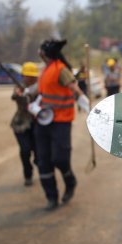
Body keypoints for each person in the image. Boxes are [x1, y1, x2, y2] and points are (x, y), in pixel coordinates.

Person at [34, 39, 90, 211]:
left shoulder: (60, 69)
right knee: (43, 161)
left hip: (61, 122)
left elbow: (75, 88)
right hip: (43, 121)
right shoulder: (45, 71)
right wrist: (32, 102)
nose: (39, 52)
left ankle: (69, 180)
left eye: (40, 50)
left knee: (59, 158)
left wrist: (84, 103)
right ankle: (51, 197)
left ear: (44, 53)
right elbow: (41, 93)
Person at [10, 62, 40, 186]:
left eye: (30, 76)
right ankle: (28, 175)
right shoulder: (19, 87)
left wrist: (29, 94)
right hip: (21, 124)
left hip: (37, 123)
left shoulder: (40, 87)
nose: (27, 78)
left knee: (39, 151)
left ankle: (39, 163)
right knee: (25, 150)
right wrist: (19, 94)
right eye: (25, 75)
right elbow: (14, 96)